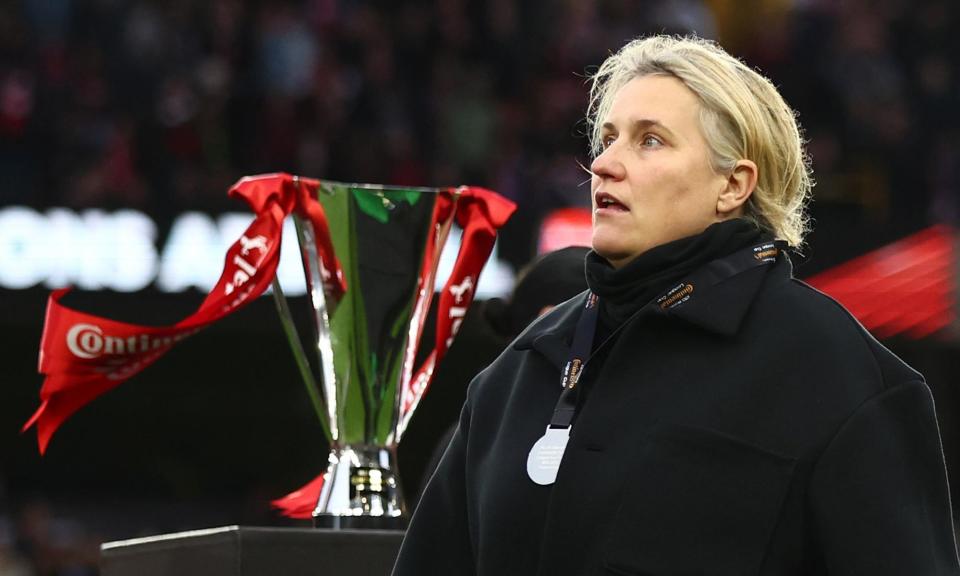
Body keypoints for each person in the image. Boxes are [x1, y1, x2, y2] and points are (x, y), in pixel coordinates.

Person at [392, 35, 960, 575]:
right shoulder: (517, 372)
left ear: (733, 185)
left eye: (650, 140)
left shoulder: (847, 381)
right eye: (607, 138)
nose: (606, 165)